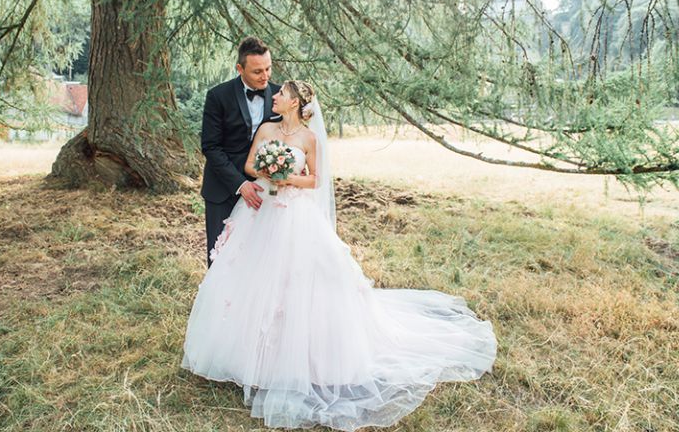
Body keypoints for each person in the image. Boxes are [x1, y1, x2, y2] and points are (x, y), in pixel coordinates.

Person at [182, 80, 497, 431]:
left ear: (295, 102)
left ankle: (299, 358)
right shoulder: (267, 128)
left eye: (281, 94)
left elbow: (315, 179)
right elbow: (251, 165)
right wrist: (267, 171)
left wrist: (288, 177)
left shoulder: (309, 139)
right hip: (262, 211)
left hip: (295, 215)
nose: (274, 96)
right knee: (253, 278)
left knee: (305, 281)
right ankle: (247, 357)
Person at [200, 36, 282, 267]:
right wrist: (240, 183)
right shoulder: (218, 96)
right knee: (220, 257)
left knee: (260, 258)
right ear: (240, 68)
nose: (265, 76)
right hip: (222, 190)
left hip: (265, 191)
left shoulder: (280, 96)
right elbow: (211, 147)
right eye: (257, 71)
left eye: (268, 68)